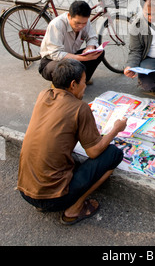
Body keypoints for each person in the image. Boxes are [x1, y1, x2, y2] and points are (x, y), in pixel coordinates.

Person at [18, 59, 127, 225]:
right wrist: (116, 129)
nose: (85, 86)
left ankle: (44, 201)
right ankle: (74, 208)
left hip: (25, 192)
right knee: (114, 154)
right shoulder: (80, 108)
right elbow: (94, 151)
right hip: (53, 199)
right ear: (73, 85)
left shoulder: (43, 95)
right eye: (84, 82)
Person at [39, 0, 103, 83]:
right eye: (77, 23)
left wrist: (90, 47)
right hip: (51, 61)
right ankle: (59, 85)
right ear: (69, 16)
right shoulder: (56, 25)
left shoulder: (85, 21)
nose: (81, 26)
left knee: (99, 52)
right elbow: (56, 54)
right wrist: (82, 58)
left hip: (72, 56)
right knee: (65, 68)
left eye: (84, 23)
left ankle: (82, 81)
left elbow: (92, 38)